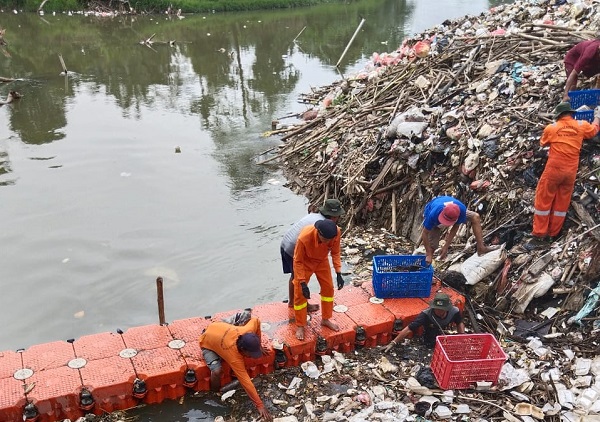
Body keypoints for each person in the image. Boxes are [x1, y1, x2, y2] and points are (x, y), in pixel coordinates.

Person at [530, 102, 600, 245]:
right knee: (562, 203)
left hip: (554, 170)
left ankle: (539, 235)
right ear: (571, 113)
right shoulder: (581, 125)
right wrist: (597, 116)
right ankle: (553, 233)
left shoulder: (552, 127)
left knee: (544, 200)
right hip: (570, 172)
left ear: (558, 115)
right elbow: (594, 130)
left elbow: (543, 143)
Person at [199, 318, 273, 421]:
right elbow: (246, 382)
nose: (253, 356)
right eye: (251, 354)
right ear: (242, 350)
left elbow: (256, 320)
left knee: (245, 316)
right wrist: (260, 405)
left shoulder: (247, 330)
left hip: (217, 327)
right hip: (206, 342)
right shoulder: (234, 358)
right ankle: (214, 392)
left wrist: (258, 345)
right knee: (217, 371)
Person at [280, 199, 345, 313]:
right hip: (293, 248)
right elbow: (303, 254)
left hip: (286, 243)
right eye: (337, 216)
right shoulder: (324, 227)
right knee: (298, 279)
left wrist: (337, 271)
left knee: (294, 276)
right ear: (333, 216)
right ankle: (298, 304)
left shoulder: (316, 217)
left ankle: (293, 302)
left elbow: (333, 251)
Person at [292, 219, 345, 340]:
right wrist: (303, 283)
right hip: (305, 262)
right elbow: (297, 261)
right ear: (318, 233)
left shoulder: (336, 232)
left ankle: (326, 319)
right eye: (325, 240)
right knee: (300, 293)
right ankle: (300, 325)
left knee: (328, 289)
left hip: (322, 261)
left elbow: (335, 253)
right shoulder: (304, 238)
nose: (328, 242)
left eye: (329, 240)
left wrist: (338, 272)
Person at [421, 195, 496, 265]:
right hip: (435, 208)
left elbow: (455, 227)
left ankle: (481, 248)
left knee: (475, 217)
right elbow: (424, 233)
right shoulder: (433, 214)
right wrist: (428, 253)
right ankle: (427, 260)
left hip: (455, 211)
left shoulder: (461, 211)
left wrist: (446, 247)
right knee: (432, 246)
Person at [384, 292, 465, 351]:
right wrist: (393, 343)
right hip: (431, 329)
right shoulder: (426, 314)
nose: (438, 311)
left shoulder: (454, 311)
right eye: (436, 309)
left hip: (445, 328)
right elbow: (409, 328)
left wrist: (461, 337)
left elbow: (459, 322)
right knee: (430, 343)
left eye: (441, 310)